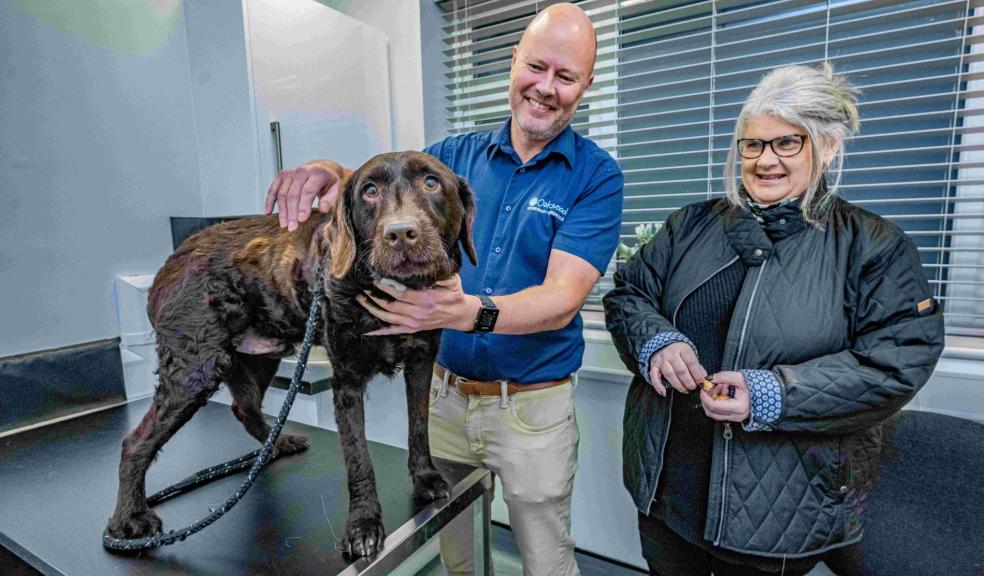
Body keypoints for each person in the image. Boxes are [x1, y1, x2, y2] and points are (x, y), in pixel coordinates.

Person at [265, 4, 624, 574]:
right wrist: (329, 169)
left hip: (530, 407)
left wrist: (467, 312)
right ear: (514, 63)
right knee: (458, 550)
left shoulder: (596, 176)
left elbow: (563, 297)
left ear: (586, 85)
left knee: (546, 558)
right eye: (536, 67)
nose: (546, 88)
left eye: (566, 76)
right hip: (442, 399)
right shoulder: (451, 157)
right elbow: (385, 179)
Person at [603, 64, 945, 576]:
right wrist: (657, 340)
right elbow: (629, 295)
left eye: (786, 143)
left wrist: (772, 394)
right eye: (751, 144)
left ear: (827, 146)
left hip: (776, 512)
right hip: (666, 491)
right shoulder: (692, 224)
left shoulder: (875, 247)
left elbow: (896, 363)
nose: (764, 161)